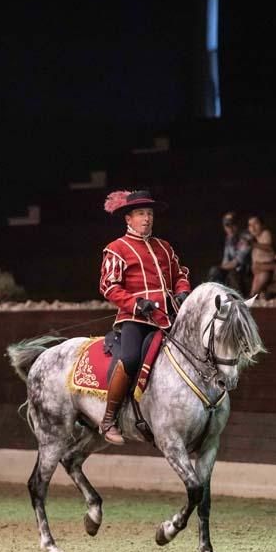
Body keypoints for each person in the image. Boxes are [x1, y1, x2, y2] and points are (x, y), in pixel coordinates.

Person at [98, 190, 191, 445]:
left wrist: (183, 292)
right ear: (128, 218)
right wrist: (137, 303)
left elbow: (180, 274)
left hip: (169, 317)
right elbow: (109, 286)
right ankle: (108, 419)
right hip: (135, 319)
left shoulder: (164, 246)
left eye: (149, 214)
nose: (147, 219)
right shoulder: (116, 248)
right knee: (129, 359)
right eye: (141, 214)